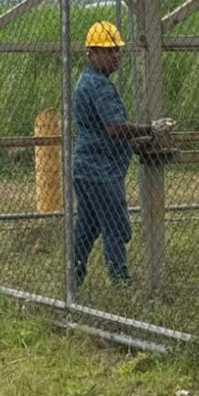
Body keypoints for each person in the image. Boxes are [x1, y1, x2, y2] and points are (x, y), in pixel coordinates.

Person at [70, 21, 149, 288]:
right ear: (91, 53)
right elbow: (114, 127)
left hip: (86, 167)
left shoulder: (85, 82)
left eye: (116, 50)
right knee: (116, 225)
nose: (115, 55)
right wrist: (149, 130)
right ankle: (120, 281)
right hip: (100, 171)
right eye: (108, 50)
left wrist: (136, 139)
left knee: (88, 225)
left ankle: (74, 277)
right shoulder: (99, 86)